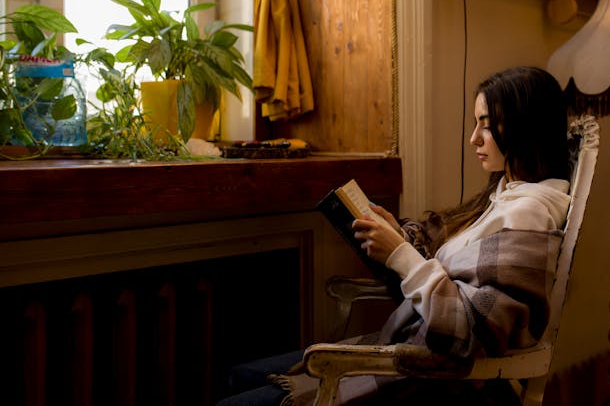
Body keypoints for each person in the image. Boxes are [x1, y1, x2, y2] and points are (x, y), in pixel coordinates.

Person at [217, 66, 572, 405]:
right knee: (240, 374)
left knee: (240, 390)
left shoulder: (528, 214)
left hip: (434, 379)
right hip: (411, 347)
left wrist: (401, 254)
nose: (473, 138)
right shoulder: (506, 195)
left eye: (487, 125)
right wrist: (397, 234)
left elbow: (472, 329)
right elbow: (458, 270)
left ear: (526, 130)